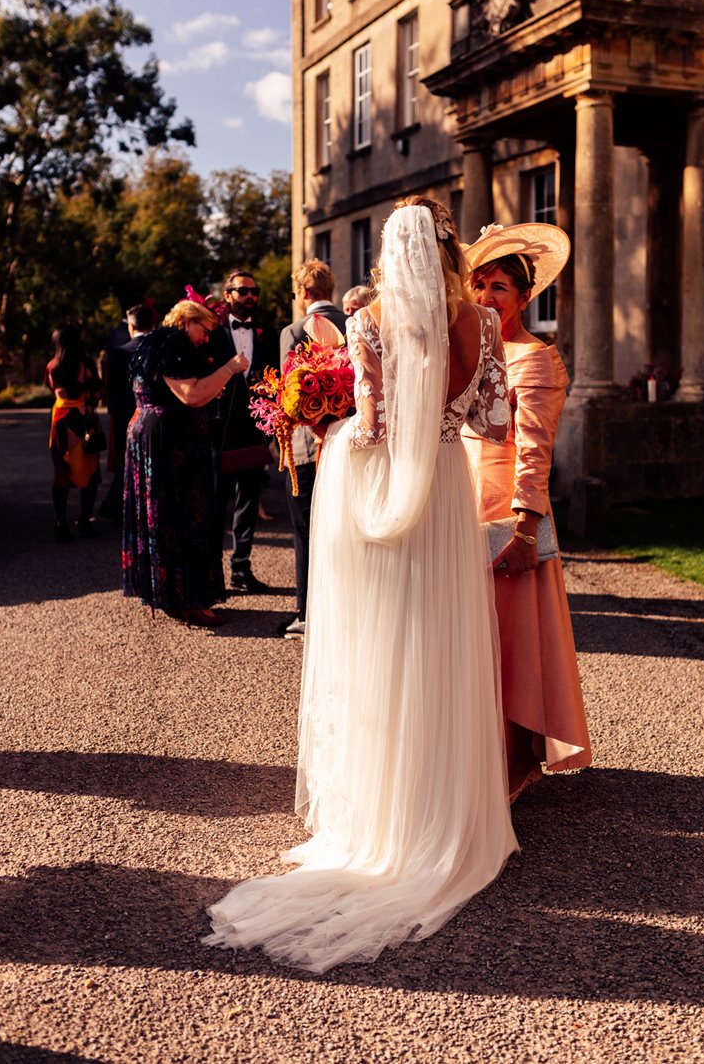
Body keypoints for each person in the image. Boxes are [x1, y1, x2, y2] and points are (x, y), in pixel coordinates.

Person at [205, 198, 517, 972]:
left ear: (387, 251)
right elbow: (496, 424)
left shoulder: (370, 320)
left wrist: (328, 421)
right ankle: (442, 812)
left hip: (384, 495)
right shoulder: (480, 321)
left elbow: (372, 429)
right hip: (446, 489)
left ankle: (385, 814)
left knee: (386, 644)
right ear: (451, 250)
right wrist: (444, 420)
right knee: (442, 640)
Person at [461, 224, 592, 803]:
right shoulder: (470, 350)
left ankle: (517, 764)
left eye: (500, 288)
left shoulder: (532, 359)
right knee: (471, 641)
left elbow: (536, 451)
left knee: (510, 645)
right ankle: (478, 754)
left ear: (523, 298)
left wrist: (525, 527)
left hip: (506, 514)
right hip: (458, 506)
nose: (486, 296)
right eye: (480, 284)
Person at [122, 299, 248, 628]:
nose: (206, 338)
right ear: (187, 321)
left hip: (161, 439)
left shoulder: (155, 342)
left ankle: (175, 596)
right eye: (204, 330)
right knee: (183, 519)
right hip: (168, 445)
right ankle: (187, 600)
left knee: (169, 519)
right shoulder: (172, 345)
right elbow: (190, 395)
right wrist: (230, 369)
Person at [278, 260, 348, 638]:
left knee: (305, 529)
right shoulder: (354, 324)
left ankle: (306, 613)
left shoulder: (293, 331)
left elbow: (289, 398)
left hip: (307, 448)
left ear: (303, 292)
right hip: (350, 441)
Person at [209, 270, 272, 594]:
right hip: (219, 432)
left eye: (254, 291)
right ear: (228, 295)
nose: (250, 296)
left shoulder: (265, 333)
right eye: (243, 291)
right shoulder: (213, 334)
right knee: (217, 501)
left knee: (249, 500)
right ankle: (212, 574)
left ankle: (241, 568)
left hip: (254, 431)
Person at [47, 325, 103, 542]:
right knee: (90, 473)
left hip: (61, 422)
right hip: (84, 420)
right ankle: (85, 520)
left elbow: (53, 391)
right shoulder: (87, 365)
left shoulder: (53, 367)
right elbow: (98, 392)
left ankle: (61, 522)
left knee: (61, 473)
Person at [100, 303, 155, 522]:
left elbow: (111, 389)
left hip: (126, 416)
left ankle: (123, 508)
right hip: (153, 416)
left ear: (131, 325)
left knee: (127, 464)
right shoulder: (160, 349)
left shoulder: (119, 353)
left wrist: (114, 414)